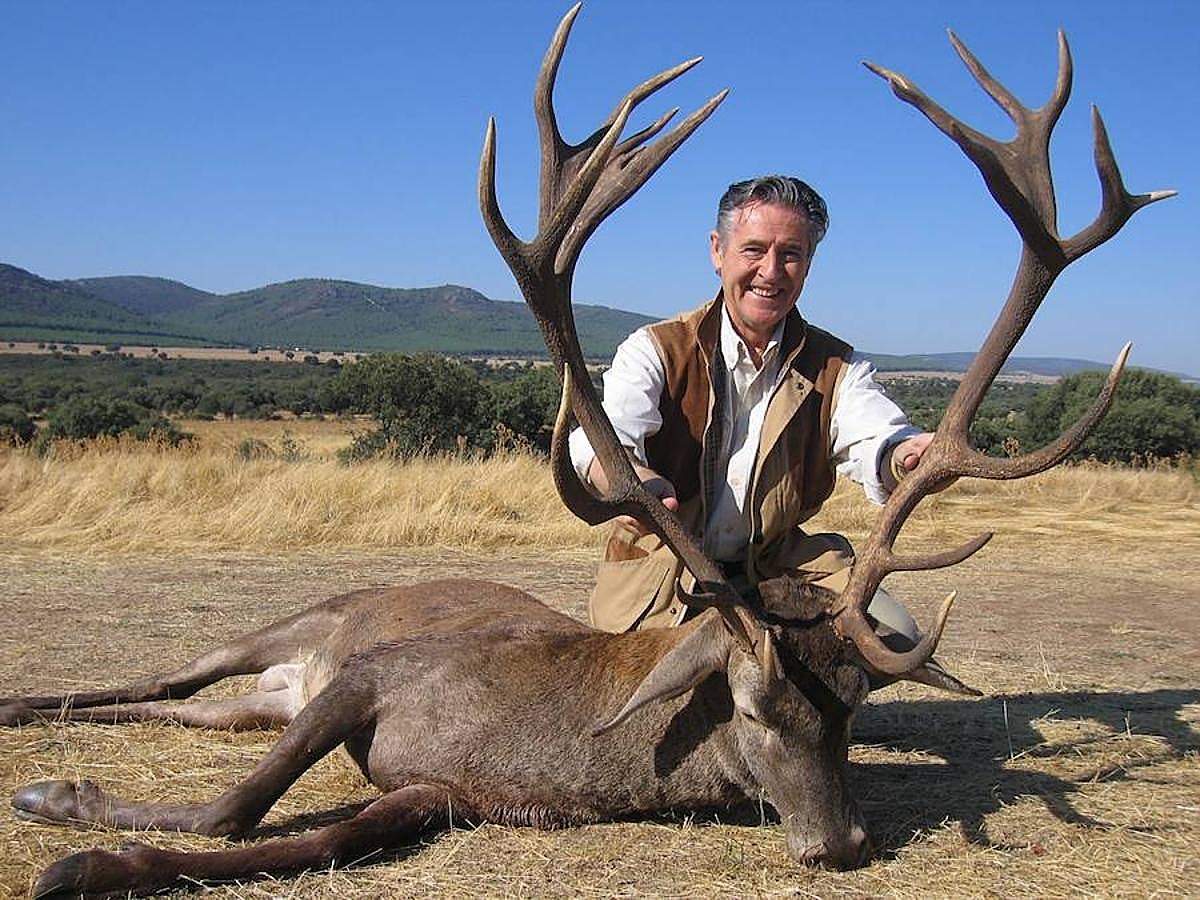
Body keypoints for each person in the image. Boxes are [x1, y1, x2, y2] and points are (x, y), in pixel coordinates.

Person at [568, 175, 935, 638]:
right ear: (717, 251)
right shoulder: (656, 350)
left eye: (791, 254)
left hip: (775, 565)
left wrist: (907, 455)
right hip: (668, 567)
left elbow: (875, 435)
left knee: (894, 635)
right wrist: (629, 480)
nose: (771, 271)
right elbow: (601, 443)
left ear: (808, 264)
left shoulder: (836, 367)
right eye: (754, 250)